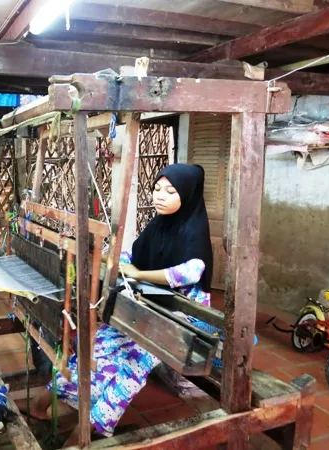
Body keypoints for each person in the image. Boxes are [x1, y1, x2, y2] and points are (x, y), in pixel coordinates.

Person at [26, 164, 214, 446]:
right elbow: (130, 256)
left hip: (179, 318)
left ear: (186, 195)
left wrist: (139, 274)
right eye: (156, 189)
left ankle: (82, 433)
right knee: (97, 346)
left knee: (132, 364)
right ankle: (41, 405)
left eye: (170, 191)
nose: (159, 196)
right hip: (147, 307)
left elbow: (191, 272)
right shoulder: (157, 226)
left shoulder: (194, 230)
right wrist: (97, 254)